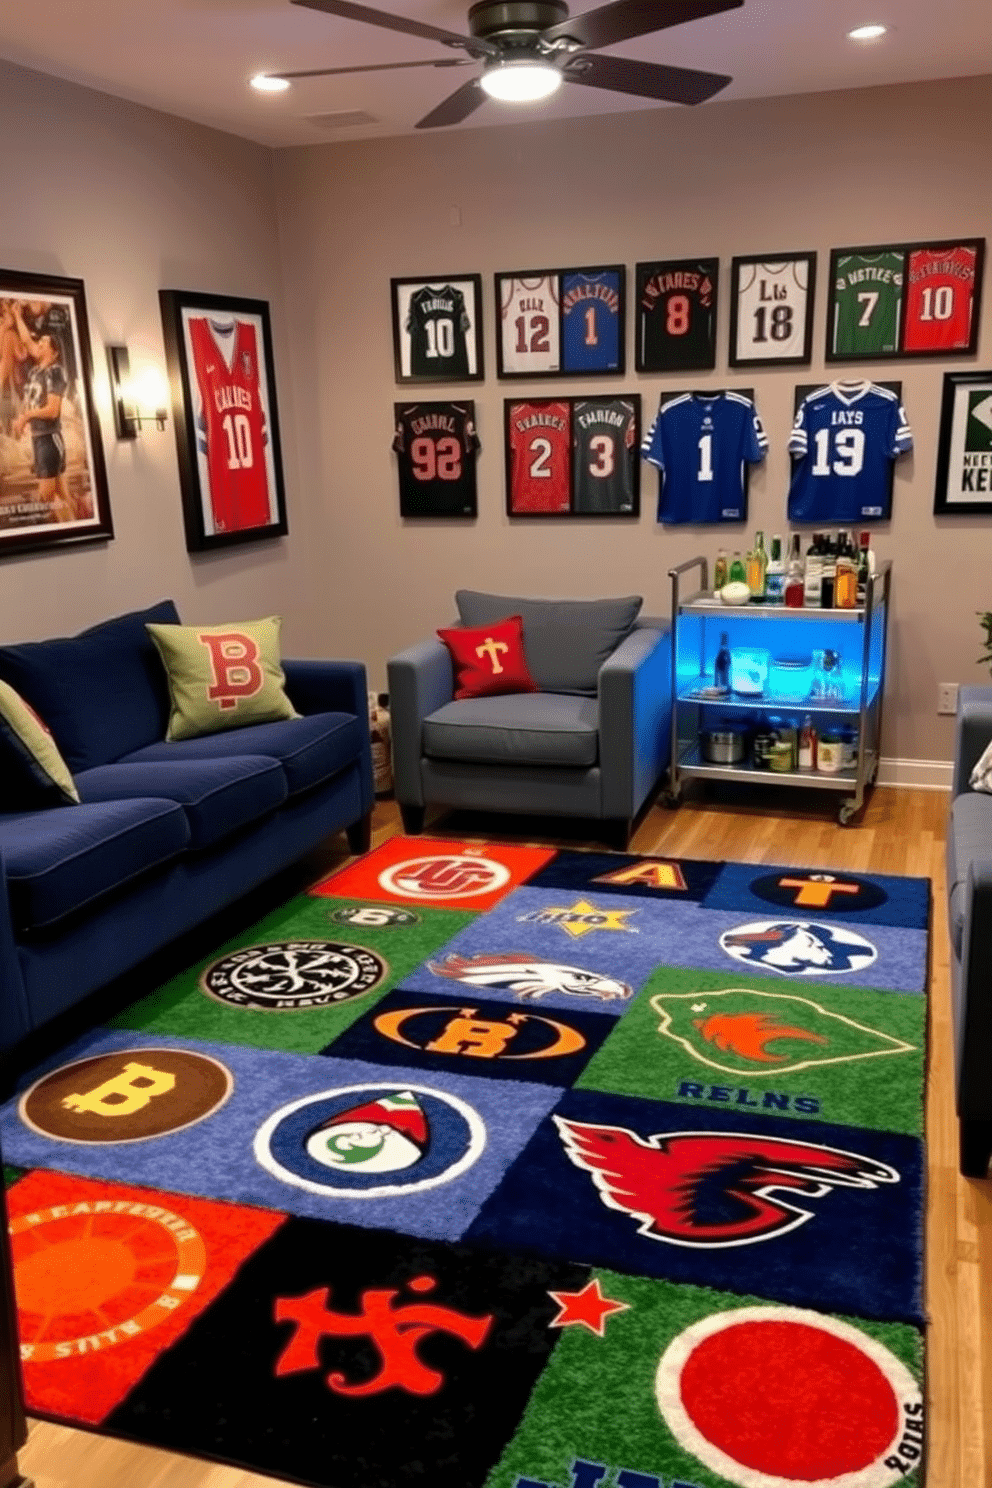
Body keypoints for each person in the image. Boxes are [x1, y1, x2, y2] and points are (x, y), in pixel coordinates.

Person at [11, 304, 75, 523]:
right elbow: (27, 341)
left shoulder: (55, 371)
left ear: (55, 352)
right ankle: (73, 527)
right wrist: (17, 316)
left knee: (46, 496)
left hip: (49, 439)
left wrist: (26, 416)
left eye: (45, 342)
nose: (39, 343)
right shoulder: (38, 370)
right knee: (61, 496)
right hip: (40, 439)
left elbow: (52, 410)